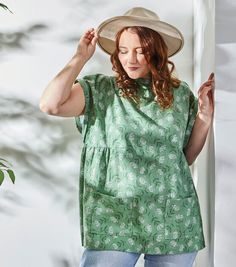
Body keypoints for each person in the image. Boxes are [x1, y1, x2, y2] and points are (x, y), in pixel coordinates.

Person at [39, 7, 214, 267]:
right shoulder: (100, 89)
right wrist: (79, 58)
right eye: (123, 50)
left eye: (140, 51)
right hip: (114, 219)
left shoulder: (180, 94)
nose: (130, 59)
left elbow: (185, 156)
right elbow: (50, 105)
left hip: (173, 219)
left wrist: (205, 117)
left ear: (156, 51)